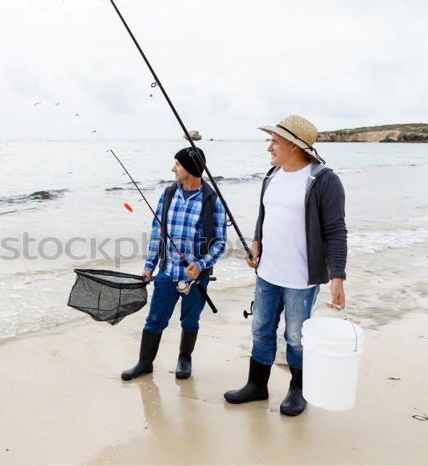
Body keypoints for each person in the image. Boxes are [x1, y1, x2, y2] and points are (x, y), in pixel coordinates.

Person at [223, 115, 347, 416]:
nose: (269, 147)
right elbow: (263, 216)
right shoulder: (272, 175)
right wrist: (256, 245)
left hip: (301, 279)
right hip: (267, 273)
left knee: (295, 336)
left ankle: (297, 390)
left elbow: (335, 230)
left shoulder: (323, 180)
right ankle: (257, 385)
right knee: (261, 329)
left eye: (275, 141)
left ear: (294, 145)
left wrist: (337, 277)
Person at [121, 147, 227, 381]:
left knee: (190, 320)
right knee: (155, 319)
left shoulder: (212, 201)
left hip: (196, 277)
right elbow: (157, 233)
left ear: (190, 168)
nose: (173, 169)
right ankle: (144, 363)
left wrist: (200, 265)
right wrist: (149, 266)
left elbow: (220, 242)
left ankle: (184, 359)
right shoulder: (168, 194)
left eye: (177, 164)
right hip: (167, 273)